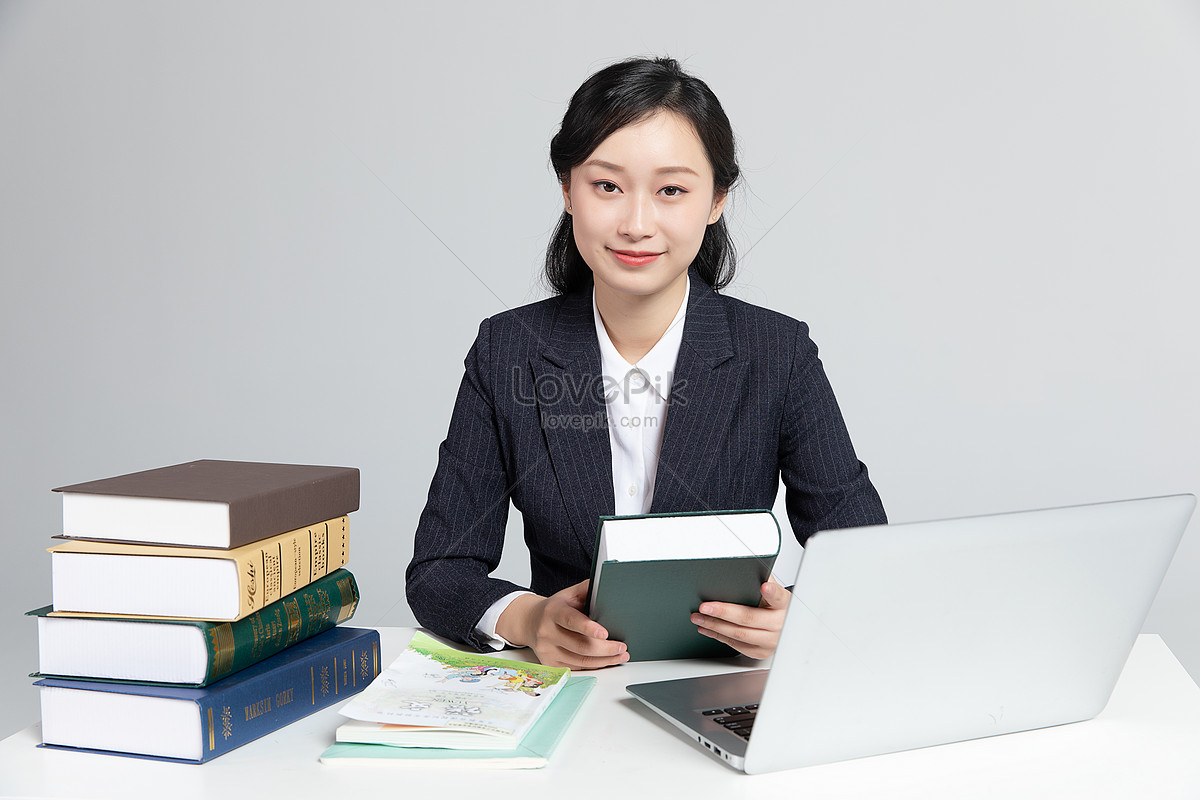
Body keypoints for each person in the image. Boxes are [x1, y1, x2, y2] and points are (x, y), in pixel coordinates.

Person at [407, 57, 886, 669]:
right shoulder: (508, 352)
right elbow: (440, 571)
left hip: (720, 683)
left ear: (716, 201)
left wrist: (802, 614)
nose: (636, 224)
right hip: (570, 691)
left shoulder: (778, 353)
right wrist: (530, 618)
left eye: (671, 191)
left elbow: (863, 554)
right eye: (607, 186)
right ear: (567, 190)